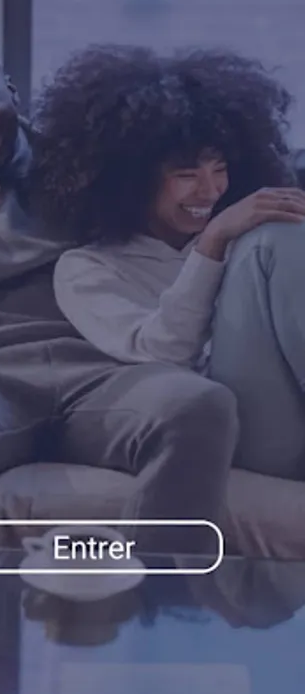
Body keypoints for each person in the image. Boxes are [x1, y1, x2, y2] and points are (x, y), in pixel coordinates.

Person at [0, 16, 237, 613]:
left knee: (200, 403)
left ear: (10, 90)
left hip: (103, 372)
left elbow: (191, 194)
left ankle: (152, 605)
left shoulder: (82, 162)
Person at [29, 44, 305, 484]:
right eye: (186, 174)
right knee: (271, 239)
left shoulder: (243, 238)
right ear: (130, 178)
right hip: (231, 427)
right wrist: (212, 243)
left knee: (282, 226)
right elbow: (162, 354)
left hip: (292, 407)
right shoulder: (86, 269)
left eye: (219, 168)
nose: (209, 191)